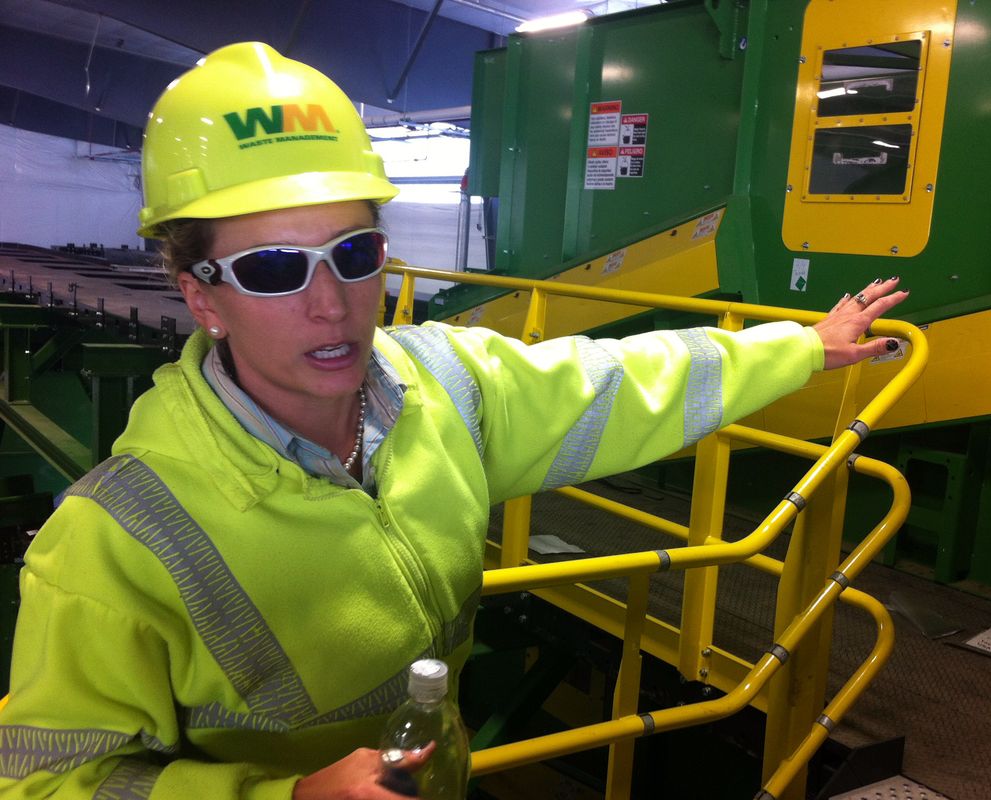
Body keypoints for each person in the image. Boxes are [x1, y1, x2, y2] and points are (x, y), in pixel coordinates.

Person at [0, 42, 907, 800]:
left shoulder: (445, 386)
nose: (334, 306)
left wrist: (801, 348)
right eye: (275, 269)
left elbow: (618, 379)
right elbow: (50, 785)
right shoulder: (114, 542)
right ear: (199, 298)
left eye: (354, 254)